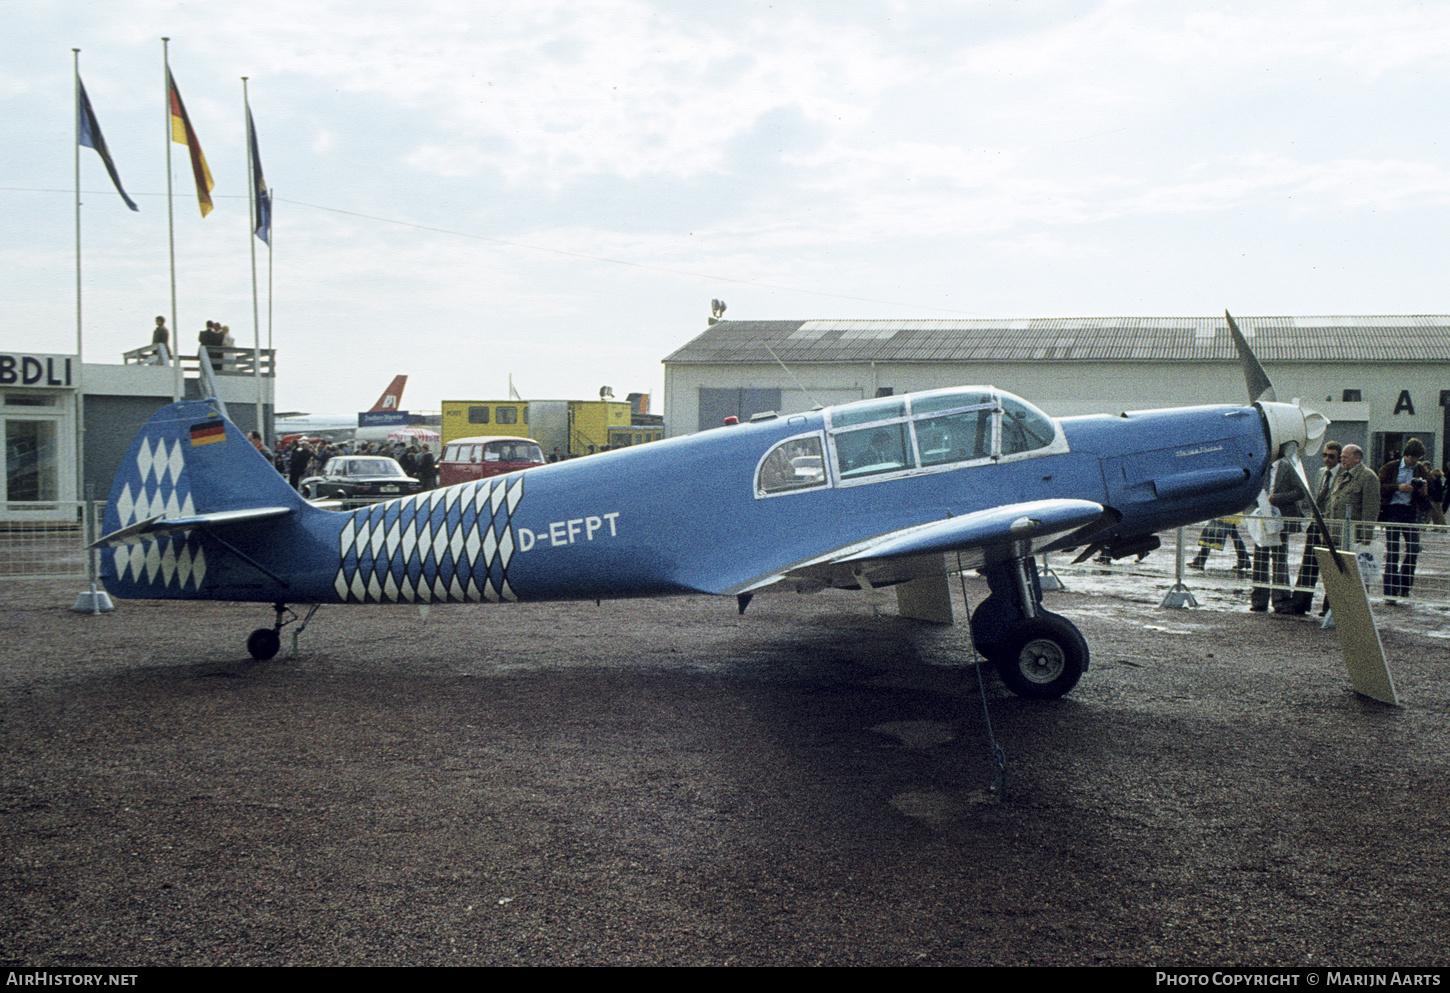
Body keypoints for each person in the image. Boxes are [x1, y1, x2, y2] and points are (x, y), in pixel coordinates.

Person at [1279, 442, 1342, 615]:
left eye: (1331, 456)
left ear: (1339, 458)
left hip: (1332, 526)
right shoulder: (1321, 473)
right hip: (1316, 524)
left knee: (1332, 566)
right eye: (1325, 455)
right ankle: (1299, 602)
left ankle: (1330, 607)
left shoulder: (1342, 475)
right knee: (1308, 563)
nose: (1327, 459)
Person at [1248, 458, 1305, 612]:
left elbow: (1300, 492)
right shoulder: (1260, 467)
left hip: (1281, 520)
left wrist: (1277, 498)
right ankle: (1259, 599)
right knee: (1260, 560)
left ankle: (1281, 599)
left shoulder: (1288, 467)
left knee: (1279, 560)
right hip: (1262, 520)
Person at [1378, 437, 1431, 602]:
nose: (1413, 460)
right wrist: (1397, 487)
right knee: (1393, 551)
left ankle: (1405, 585)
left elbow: (1426, 493)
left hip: (1411, 510)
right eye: (1410, 456)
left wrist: (1422, 490)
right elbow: (1378, 487)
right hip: (1393, 509)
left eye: (1416, 457)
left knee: (1414, 548)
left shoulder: (1421, 470)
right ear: (1405, 454)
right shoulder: (1391, 467)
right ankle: (1390, 592)